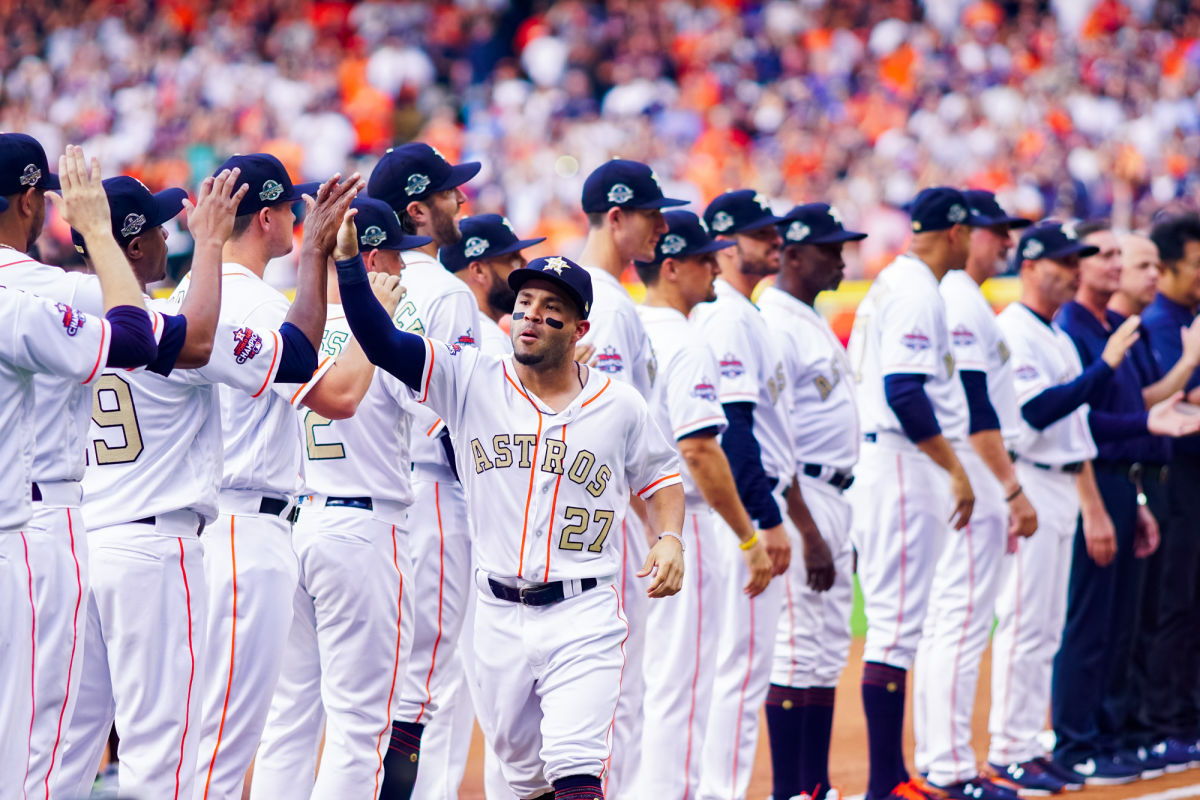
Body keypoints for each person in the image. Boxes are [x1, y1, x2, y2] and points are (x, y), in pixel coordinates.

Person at [335, 246, 686, 800]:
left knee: (576, 770)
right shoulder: (470, 378)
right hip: (497, 616)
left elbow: (662, 476)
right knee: (526, 780)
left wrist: (669, 537)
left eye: (551, 307)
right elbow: (384, 344)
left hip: (584, 611)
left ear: (578, 328)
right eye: (524, 302)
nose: (531, 315)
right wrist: (349, 267)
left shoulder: (619, 406)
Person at [53, 168, 333, 799]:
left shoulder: (61, 316)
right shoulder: (168, 329)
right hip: (157, 550)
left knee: (69, 749)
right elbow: (296, 353)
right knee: (165, 756)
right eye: (153, 227)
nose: (164, 236)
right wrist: (311, 253)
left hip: (80, 543)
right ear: (128, 247)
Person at [179, 154, 362, 800]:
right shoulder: (254, 301)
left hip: (197, 528)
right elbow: (337, 395)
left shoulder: (186, 294)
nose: (298, 219)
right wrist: (362, 303)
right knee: (221, 751)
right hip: (241, 529)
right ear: (266, 217)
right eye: (291, 208)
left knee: (190, 740)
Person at [250, 196, 434, 799]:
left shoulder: (291, 330)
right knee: (359, 724)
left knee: (287, 718)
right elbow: (440, 420)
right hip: (362, 532)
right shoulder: (388, 327)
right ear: (371, 255)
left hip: (295, 526)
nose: (404, 270)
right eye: (398, 256)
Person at [0, 139, 161, 799]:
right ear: (33, 199)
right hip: (32, 524)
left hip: (36, 515)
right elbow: (138, 330)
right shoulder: (37, 291)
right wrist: (97, 230)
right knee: (42, 733)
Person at [1052, 220, 1200, 784]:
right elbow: (1079, 419)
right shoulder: (1076, 327)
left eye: (1129, 258)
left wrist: (1179, 374)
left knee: (1125, 620)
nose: (1127, 269)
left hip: (1129, 477)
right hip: (1089, 476)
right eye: (1111, 256)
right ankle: (1079, 738)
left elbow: (1140, 403)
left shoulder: (1116, 325)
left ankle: (1116, 733)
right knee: (1087, 622)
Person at [632, 210, 774, 798]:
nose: (716, 266)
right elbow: (699, 449)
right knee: (681, 684)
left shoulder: (629, 328)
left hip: (627, 519)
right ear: (671, 267)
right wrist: (748, 535)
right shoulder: (686, 343)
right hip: (679, 520)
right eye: (702, 258)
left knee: (640, 683)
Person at [844, 187, 976, 800]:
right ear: (955, 232)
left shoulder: (894, 282)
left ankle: (891, 776)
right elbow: (904, 391)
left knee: (899, 625)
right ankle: (884, 783)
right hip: (900, 460)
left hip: (883, 458)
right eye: (971, 231)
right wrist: (953, 467)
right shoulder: (920, 289)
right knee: (897, 628)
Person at [912, 190, 1038, 798]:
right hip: (970, 466)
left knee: (955, 621)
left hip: (969, 467)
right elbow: (976, 405)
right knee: (958, 623)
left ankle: (948, 758)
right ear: (967, 233)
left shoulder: (964, 296)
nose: (1007, 241)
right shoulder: (957, 296)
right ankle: (949, 764)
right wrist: (1010, 489)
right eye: (997, 231)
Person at [367, 142, 481, 800]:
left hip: (374, 493)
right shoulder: (445, 293)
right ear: (416, 208)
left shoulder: (355, 291)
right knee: (434, 679)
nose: (460, 199)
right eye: (447, 192)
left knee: (394, 680)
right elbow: (452, 420)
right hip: (434, 491)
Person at [573, 157, 685, 794]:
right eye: (651, 214)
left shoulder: (584, 290)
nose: (661, 228)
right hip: (601, 526)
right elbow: (609, 437)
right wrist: (657, 533)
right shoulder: (605, 304)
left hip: (580, 524)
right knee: (618, 701)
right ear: (616, 217)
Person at [758, 203, 865, 800]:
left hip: (832, 494)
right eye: (830, 248)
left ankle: (815, 786)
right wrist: (806, 527)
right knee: (799, 651)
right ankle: (791, 790)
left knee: (824, 651)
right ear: (793, 255)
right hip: (803, 498)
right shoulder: (776, 321)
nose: (842, 257)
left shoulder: (806, 317)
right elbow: (777, 440)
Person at [692, 188, 794, 800]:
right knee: (739, 670)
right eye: (762, 234)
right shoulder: (727, 315)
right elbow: (736, 432)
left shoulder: (738, 310)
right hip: (736, 516)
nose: (775, 241)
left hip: (728, 513)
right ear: (726, 245)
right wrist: (765, 518)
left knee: (723, 669)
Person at [1137, 216, 1200, 767]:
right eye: (1196, 265)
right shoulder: (1160, 320)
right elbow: (1166, 401)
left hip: (1189, 477)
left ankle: (1186, 713)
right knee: (1173, 604)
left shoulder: (1185, 316)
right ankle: (1167, 720)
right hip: (1174, 476)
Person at [441, 213, 546, 355]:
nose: (524, 265)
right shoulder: (489, 340)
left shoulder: (454, 328)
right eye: (514, 259)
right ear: (478, 270)